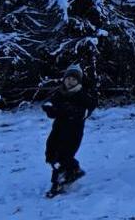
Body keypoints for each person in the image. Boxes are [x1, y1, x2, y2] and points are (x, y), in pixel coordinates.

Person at [42, 65, 97, 198]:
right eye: (68, 79)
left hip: (73, 130)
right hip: (58, 128)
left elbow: (86, 110)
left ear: (78, 82)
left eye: (73, 79)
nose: (70, 81)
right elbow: (52, 104)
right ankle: (70, 172)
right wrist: (50, 108)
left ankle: (61, 180)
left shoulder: (82, 95)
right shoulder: (60, 93)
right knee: (51, 152)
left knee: (64, 154)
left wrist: (70, 110)